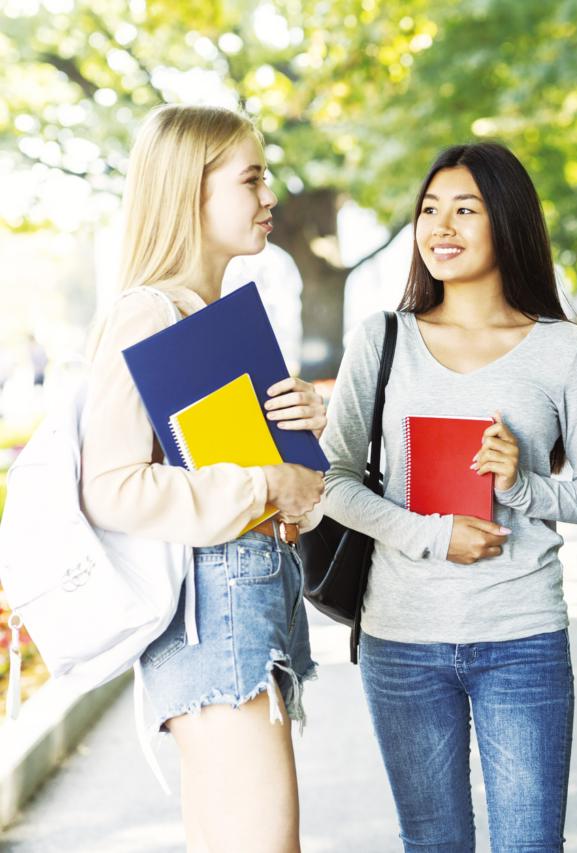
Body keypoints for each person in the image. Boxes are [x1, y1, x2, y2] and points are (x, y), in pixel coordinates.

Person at [321, 141, 577, 852]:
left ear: (509, 221)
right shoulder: (383, 337)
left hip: (521, 636)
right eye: (429, 210)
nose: (440, 227)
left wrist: (522, 483)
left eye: (465, 209)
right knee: (432, 842)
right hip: (402, 638)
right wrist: (433, 535)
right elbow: (331, 480)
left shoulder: (562, 348)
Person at [80, 104, 328, 852]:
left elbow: (289, 492)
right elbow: (112, 486)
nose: (270, 196)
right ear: (191, 190)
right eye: (250, 178)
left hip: (247, 608)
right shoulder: (147, 315)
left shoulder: (208, 318)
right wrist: (264, 484)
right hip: (215, 623)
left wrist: (301, 447)